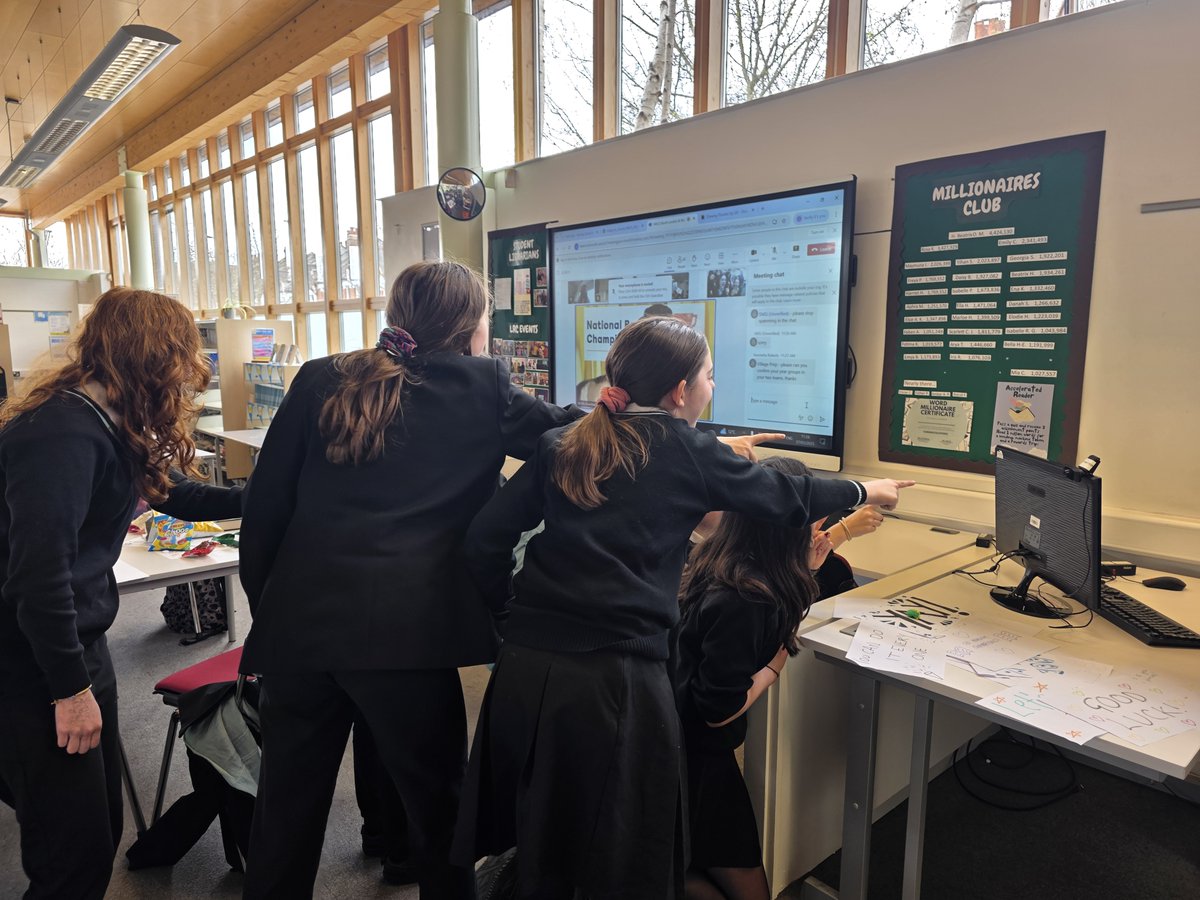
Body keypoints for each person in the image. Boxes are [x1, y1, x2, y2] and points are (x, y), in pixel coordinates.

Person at [455, 316, 912, 899]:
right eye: (711, 377)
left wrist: (507, 618)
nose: (713, 389)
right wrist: (867, 490)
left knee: (542, 823)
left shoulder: (565, 441)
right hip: (612, 683)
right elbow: (786, 497)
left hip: (526, 667)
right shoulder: (683, 450)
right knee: (616, 847)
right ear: (679, 390)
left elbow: (484, 541)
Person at [236, 260, 580, 899]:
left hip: (301, 634)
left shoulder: (320, 378)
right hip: (410, 640)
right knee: (438, 814)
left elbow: (264, 513)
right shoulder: (484, 385)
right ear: (472, 324)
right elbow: (567, 437)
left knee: (283, 814)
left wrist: (272, 612)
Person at [0, 288, 244, 899]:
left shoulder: (105, 419)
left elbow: (177, 494)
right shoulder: (60, 434)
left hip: (71, 650)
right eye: (183, 357)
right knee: (72, 857)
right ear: (151, 356)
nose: (191, 372)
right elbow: (38, 577)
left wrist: (267, 499)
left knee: (97, 828)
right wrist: (70, 690)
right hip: (33, 664)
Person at [674, 456, 850, 900]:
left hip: (672, 740)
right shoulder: (746, 600)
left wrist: (804, 571)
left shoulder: (717, 560)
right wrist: (773, 669)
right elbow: (717, 709)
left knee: (692, 857)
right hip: (694, 758)